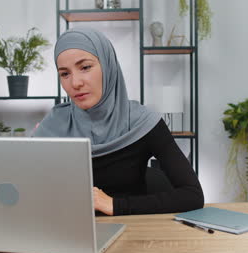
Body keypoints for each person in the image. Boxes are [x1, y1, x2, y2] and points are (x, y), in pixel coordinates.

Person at [35, 28, 204, 216]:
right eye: (65, 74)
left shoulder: (143, 123)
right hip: (67, 232)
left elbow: (193, 195)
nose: (75, 83)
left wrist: (115, 205)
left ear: (108, 66)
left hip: (131, 231)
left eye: (85, 67)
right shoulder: (53, 124)